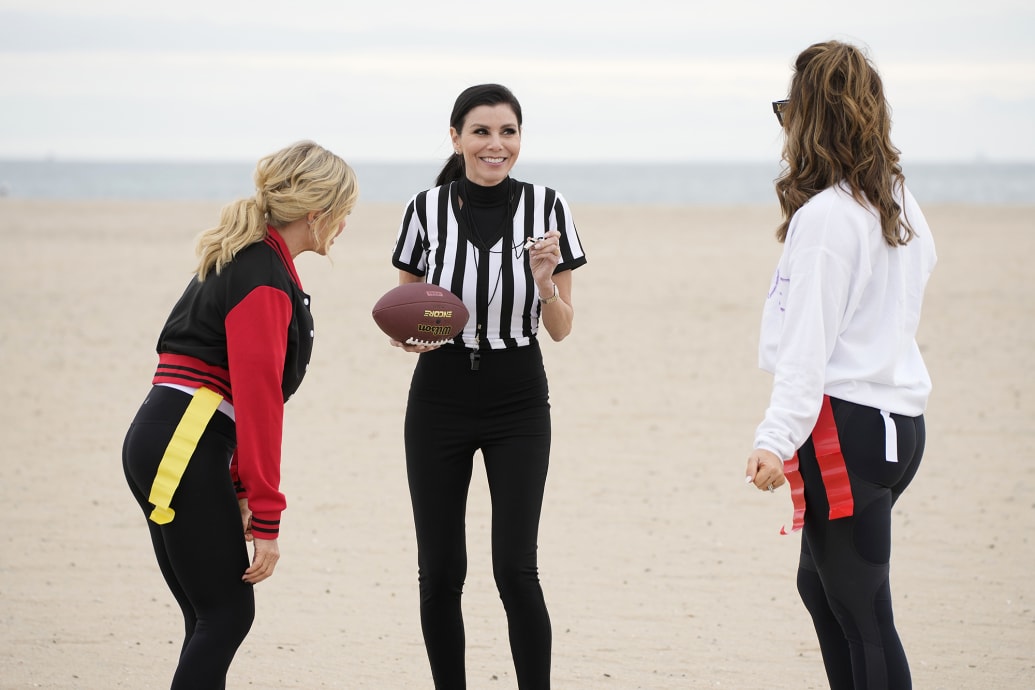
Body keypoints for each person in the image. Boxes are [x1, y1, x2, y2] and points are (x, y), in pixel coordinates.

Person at [122, 140, 359, 689]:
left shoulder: (251, 257)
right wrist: (269, 515)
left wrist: (239, 489)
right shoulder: (262, 275)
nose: (345, 226)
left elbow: (229, 393)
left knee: (209, 615)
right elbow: (257, 406)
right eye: (344, 213)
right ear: (318, 214)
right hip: (183, 442)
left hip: (169, 435)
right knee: (228, 614)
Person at [744, 41, 937, 689]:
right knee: (822, 588)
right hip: (897, 424)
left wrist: (774, 438)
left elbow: (809, 346)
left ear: (812, 118)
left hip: (844, 427)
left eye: (786, 111)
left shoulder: (828, 219)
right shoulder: (898, 203)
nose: (784, 128)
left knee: (861, 610)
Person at [387, 83, 587, 689]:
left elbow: (561, 330)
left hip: (518, 397)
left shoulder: (549, 207)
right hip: (439, 396)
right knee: (441, 571)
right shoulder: (425, 209)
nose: (495, 145)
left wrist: (546, 280)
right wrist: (413, 338)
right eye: (481, 132)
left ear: (520, 140)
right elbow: (406, 312)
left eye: (507, 132)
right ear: (456, 138)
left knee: (515, 570)